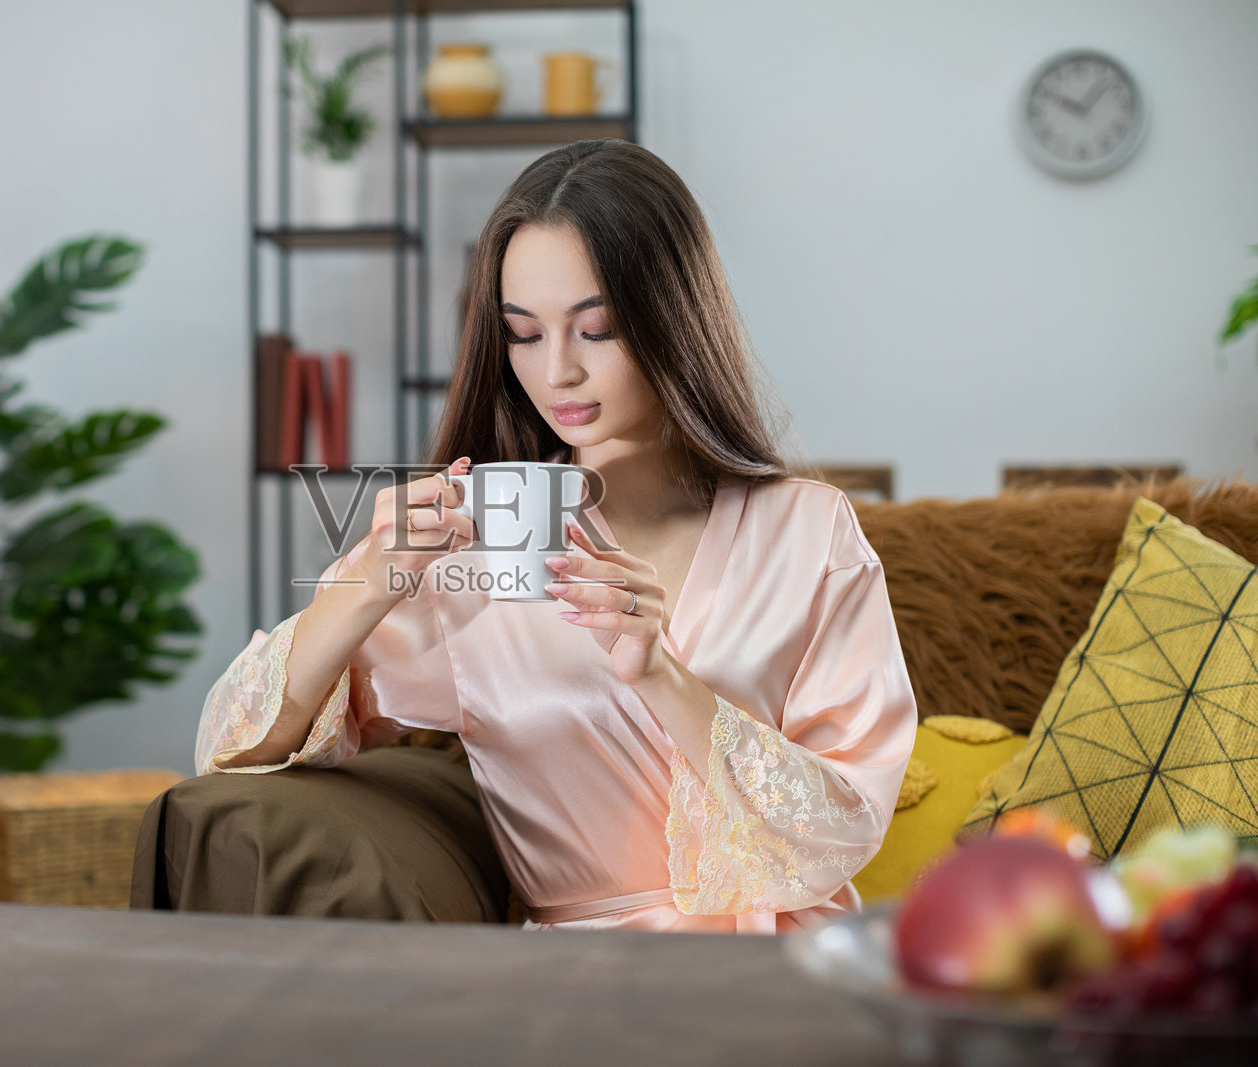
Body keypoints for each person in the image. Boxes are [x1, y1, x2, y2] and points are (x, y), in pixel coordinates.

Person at [195, 139, 917, 933]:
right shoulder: (479, 542)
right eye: (524, 334)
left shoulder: (810, 530)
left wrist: (664, 678)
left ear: (673, 316)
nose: (557, 373)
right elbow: (233, 747)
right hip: (572, 988)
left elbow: (846, 823)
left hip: (785, 973)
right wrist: (371, 574)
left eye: (596, 328)